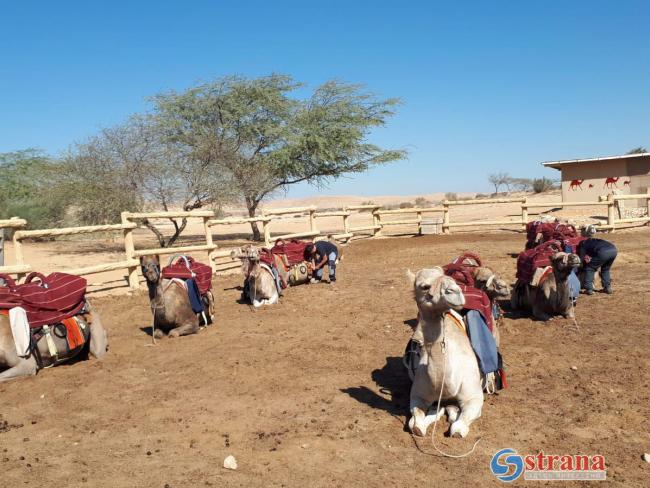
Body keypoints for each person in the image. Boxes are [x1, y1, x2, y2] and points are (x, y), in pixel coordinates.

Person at [578, 225, 618, 295]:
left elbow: (581, 259)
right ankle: (607, 288)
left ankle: (589, 289)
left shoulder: (583, 243)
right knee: (605, 269)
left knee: (589, 268)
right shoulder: (596, 240)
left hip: (603, 252)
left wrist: (580, 266)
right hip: (613, 250)